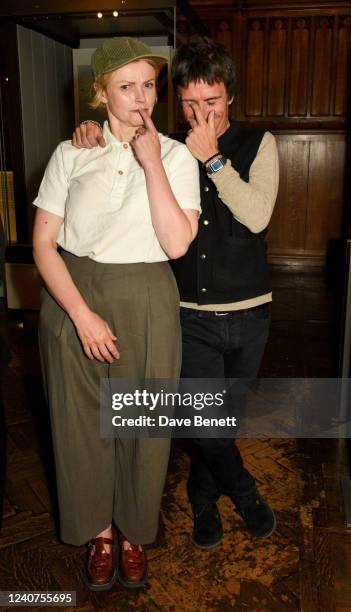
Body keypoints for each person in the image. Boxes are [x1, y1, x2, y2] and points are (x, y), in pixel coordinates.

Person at [73, 37, 279, 550]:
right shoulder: (160, 147)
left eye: (211, 101)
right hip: (188, 314)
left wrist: (213, 161)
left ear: (229, 95)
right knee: (206, 423)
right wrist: (92, 131)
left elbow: (256, 216)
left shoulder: (259, 143)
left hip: (250, 313)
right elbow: (114, 160)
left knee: (221, 423)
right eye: (189, 103)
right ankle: (245, 494)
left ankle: (202, 496)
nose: (200, 113)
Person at [33, 36, 200, 591]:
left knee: (141, 425)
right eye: (126, 87)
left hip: (147, 297)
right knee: (80, 427)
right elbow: (43, 245)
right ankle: (100, 532)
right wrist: (80, 313)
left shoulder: (176, 156)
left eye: (149, 85)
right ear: (100, 93)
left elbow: (177, 244)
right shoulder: (70, 152)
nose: (141, 98)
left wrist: (151, 162)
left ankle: (132, 532)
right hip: (72, 296)